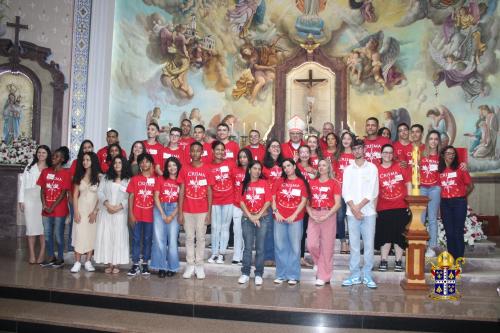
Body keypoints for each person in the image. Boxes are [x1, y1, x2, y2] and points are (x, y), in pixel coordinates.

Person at [342, 139, 379, 289]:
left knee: (369, 245)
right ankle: (355, 275)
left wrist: (359, 208)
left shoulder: (372, 168)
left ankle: (368, 275)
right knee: (355, 246)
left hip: (368, 212)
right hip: (352, 213)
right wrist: (354, 209)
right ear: (352, 151)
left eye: (359, 148)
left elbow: (372, 191)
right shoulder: (348, 169)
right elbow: (345, 191)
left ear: (364, 150)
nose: (357, 151)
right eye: (354, 149)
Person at [178, 142, 214, 279]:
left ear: (202, 152)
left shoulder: (207, 169)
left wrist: (209, 212)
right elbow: (181, 191)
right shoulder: (184, 169)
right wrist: (180, 211)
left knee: (200, 238)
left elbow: (210, 191)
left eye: (198, 151)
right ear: (190, 153)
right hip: (187, 210)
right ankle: (190, 265)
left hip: (202, 210)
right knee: (188, 237)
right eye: (192, 151)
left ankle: (199, 265)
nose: (195, 153)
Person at [272, 158, 309, 285]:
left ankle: (293, 275)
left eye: (288, 165)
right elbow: (272, 198)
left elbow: (304, 200)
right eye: (284, 167)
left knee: (295, 247)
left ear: (294, 166)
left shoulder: (301, 182)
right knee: (280, 247)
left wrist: (294, 215)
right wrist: (276, 212)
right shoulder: (279, 181)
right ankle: (281, 274)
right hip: (279, 218)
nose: (286, 168)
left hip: (296, 219)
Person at [375, 144, 411, 272]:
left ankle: (398, 261)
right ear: (381, 154)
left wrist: (410, 203)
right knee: (385, 235)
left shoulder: (400, 167)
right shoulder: (376, 169)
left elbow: (408, 184)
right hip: (383, 207)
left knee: (399, 236)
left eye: (390, 152)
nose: (388, 155)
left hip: (401, 206)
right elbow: (373, 190)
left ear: (393, 154)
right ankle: (383, 260)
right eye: (385, 152)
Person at [94, 156, 131, 274]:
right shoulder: (106, 177)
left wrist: (119, 207)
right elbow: (99, 192)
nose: (117, 164)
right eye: (115, 162)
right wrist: (107, 205)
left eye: (120, 162)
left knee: (118, 237)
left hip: (121, 213)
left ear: (124, 164)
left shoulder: (128, 179)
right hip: (106, 212)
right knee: (107, 237)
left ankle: (116, 264)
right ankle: (109, 263)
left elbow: (130, 196)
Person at [306, 159, 341, 286]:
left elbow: (337, 204)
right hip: (314, 215)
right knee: (311, 245)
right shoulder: (311, 182)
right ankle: (319, 263)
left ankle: (324, 276)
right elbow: (307, 203)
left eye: (324, 165)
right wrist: (311, 214)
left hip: (329, 215)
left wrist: (327, 215)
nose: (321, 167)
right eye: (319, 165)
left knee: (327, 247)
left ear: (329, 168)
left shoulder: (334, 183)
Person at [237, 160, 272, 286]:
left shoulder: (264, 183)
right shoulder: (244, 184)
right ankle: (245, 273)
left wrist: (257, 215)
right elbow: (241, 202)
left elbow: (268, 201)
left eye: (259, 169)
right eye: (255, 168)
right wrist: (251, 216)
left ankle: (258, 274)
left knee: (260, 248)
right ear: (250, 169)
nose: (257, 171)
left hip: (262, 218)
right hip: (247, 219)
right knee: (247, 248)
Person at [37, 147, 72, 268]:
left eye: (56, 156)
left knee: (58, 235)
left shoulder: (66, 173)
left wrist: (52, 206)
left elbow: (63, 193)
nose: (53, 158)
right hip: (46, 210)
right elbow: (42, 190)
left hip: (59, 210)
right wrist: (44, 205)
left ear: (62, 159)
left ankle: (60, 258)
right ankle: (51, 257)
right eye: (53, 156)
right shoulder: (45, 172)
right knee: (47, 235)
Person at [438, 145, 474, 259]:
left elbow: (471, 186)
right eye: (448, 153)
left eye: (453, 154)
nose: (451, 156)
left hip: (459, 202)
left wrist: (462, 196)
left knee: (458, 231)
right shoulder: (439, 170)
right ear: (443, 155)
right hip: (445, 203)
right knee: (449, 232)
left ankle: (459, 258)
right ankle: (451, 258)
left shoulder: (460, 168)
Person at [19, 145, 51, 264]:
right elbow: (23, 185)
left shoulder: (50, 168)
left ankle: (42, 253)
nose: (41, 154)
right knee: (31, 228)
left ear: (47, 154)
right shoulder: (29, 167)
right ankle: (32, 254)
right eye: (39, 152)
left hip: (43, 199)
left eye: (43, 153)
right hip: (29, 199)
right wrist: (21, 200)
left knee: (43, 228)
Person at [70, 152, 101, 273]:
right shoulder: (79, 175)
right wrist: (76, 211)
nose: (85, 162)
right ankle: (77, 262)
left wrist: (95, 211)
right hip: (81, 209)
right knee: (79, 234)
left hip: (92, 211)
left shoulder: (99, 177)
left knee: (91, 235)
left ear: (93, 161)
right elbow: (75, 195)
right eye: (83, 160)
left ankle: (88, 261)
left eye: (88, 160)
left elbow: (100, 197)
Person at [151, 157, 181, 278]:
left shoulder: (180, 181)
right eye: (169, 166)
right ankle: (161, 266)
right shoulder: (160, 179)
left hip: (174, 209)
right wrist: (163, 214)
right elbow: (156, 196)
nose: (172, 168)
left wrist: (172, 215)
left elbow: (181, 200)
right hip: (160, 209)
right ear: (166, 168)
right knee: (159, 239)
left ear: (178, 166)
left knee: (172, 240)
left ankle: (172, 267)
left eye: (174, 165)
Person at [127, 153, 156, 276]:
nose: (144, 164)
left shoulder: (156, 179)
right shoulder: (135, 179)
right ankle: (134, 263)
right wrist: (130, 214)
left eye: (147, 161)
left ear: (151, 164)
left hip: (150, 215)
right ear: (139, 165)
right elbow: (131, 196)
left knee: (148, 239)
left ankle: (145, 263)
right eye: (142, 162)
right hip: (137, 214)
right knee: (136, 239)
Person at [207, 141, 235, 264]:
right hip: (215, 201)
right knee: (214, 227)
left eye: (222, 150)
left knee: (225, 227)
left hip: (229, 199)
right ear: (212, 151)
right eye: (217, 149)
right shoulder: (208, 166)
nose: (220, 152)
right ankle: (214, 253)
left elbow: (235, 180)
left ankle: (222, 253)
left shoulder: (231, 164)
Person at [68, 140, 94, 253]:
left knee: (90, 229)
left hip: (92, 202)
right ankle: (74, 251)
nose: (87, 149)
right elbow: (73, 180)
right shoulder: (76, 163)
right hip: (78, 199)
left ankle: (89, 253)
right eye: (84, 147)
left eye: (89, 147)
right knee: (77, 226)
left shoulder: (94, 165)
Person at [262, 139, 284, 265]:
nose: (276, 148)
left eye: (278, 146)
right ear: (269, 149)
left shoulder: (284, 164)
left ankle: (279, 257)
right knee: (269, 229)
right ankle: (269, 256)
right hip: (269, 201)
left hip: (282, 201)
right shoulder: (264, 165)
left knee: (280, 230)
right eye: (273, 146)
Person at [420, 130, 442, 257]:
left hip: (435, 188)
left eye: (436, 139)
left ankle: (432, 247)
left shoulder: (441, 157)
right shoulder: (421, 155)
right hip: (422, 188)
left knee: (432, 218)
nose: (433, 141)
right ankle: (420, 245)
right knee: (421, 218)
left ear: (438, 141)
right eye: (431, 139)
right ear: (427, 140)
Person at [333, 131, 355, 254]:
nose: (346, 141)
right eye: (344, 138)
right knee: (340, 217)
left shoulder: (355, 155)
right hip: (340, 191)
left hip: (353, 192)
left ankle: (353, 241)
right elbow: (334, 173)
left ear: (352, 140)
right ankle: (343, 242)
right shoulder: (338, 155)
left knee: (351, 217)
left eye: (349, 138)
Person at [232, 148, 252, 265]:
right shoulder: (235, 170)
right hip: (237, 205)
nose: (242, 159)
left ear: (249, 157)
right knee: (237, 231)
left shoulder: (254, 170)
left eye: (245, 157)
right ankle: (236, 256)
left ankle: (245, 255)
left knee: (247, 233)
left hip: (250, 207)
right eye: (240, 157)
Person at [297, 145, 315, 267]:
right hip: (298, 205)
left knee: (308, 231)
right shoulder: (295, 167)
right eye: (301, 152)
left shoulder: (314, 168)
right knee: (299, 231)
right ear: (298, 154)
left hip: (312, 204)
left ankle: (304, 256)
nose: (304, 154)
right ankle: (298, 257)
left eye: (306, 152)